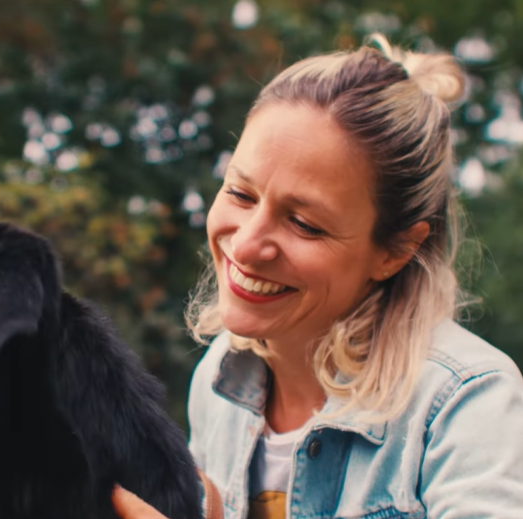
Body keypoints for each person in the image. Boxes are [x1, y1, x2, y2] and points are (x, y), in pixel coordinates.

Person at [113, 34, 523, 519]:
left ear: (396, 251)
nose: (245, 245)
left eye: (304, 224)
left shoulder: (467, 403)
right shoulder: (218, 379)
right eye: (241, 194)